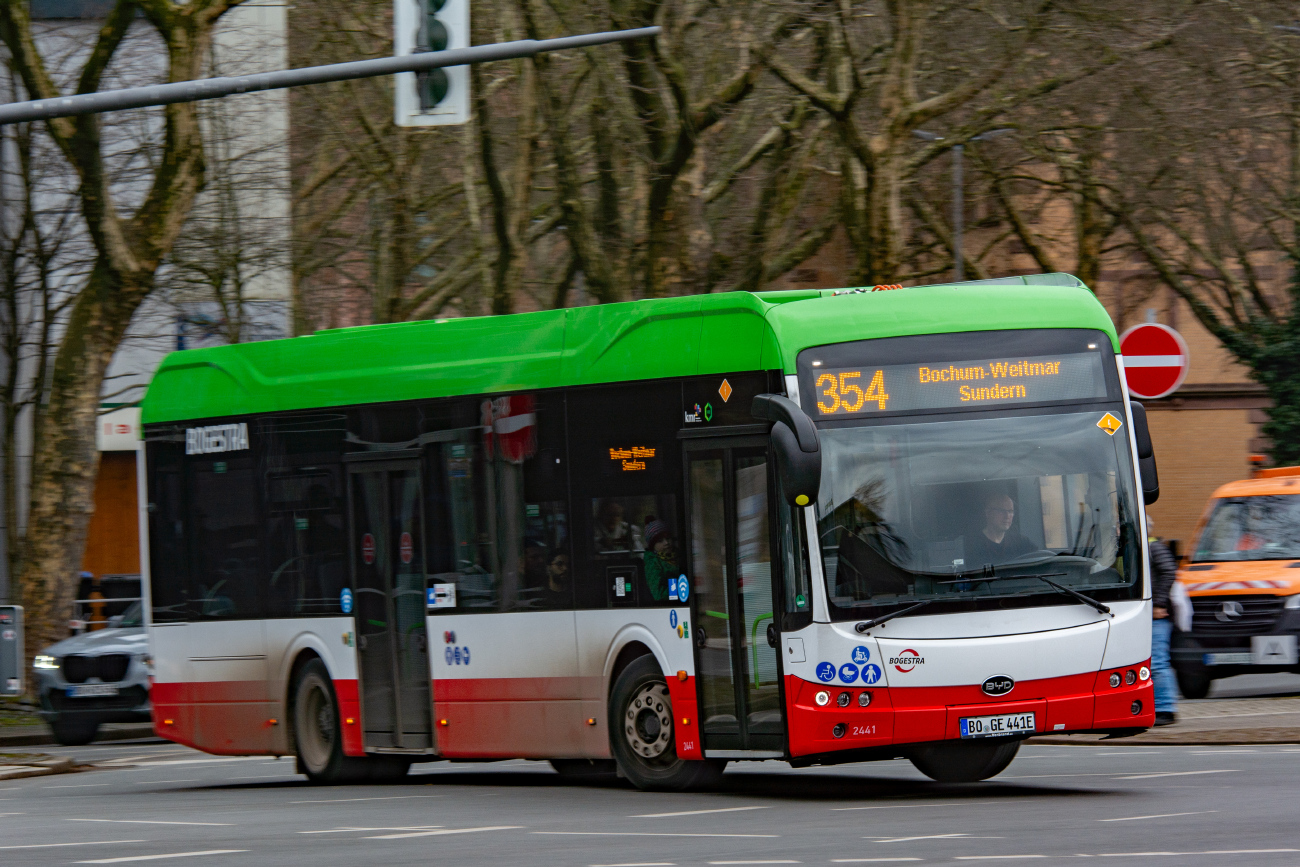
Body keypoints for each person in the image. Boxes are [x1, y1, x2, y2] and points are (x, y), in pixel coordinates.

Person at [1148, 518, 1179, 726]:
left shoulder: (1154, 547)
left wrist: (1158, 604)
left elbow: (1170, 572)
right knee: (1154, 663)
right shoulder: (1145, 547)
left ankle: (1165, 708)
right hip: (1146, 614)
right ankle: (1159, 706)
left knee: (1158, 662)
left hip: (1156, 615)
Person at [964, 492, 1035, 568]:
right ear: (988, 513)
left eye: (1010, 511)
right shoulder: (971, 545)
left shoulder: (1022, 542)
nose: (1007, 516)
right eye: (1002, 511)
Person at [642, 517, 676, 602]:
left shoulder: (678, 555)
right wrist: (680, 587)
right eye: (660, 541)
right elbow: (659, 594)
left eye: (668, 538)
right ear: (653, 546)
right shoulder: (652, 564)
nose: (666, 543)